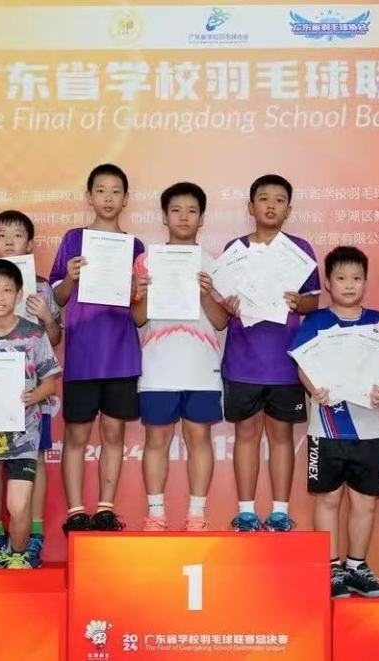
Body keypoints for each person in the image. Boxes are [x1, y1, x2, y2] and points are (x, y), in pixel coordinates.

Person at [289, 246, 379, 598]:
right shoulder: (316, 322)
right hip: (327, 427)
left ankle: (356, 566)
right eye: (341, 278)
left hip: (368, 428)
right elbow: (302, 364)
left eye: (357, 278)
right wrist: (313, 388)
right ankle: (331, 568)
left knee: (365, 502)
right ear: (329, 284)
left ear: (366, 282)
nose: (349, 284)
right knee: (328, 500)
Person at [219, 174, 320, 532]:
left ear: (288, 209)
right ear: (251, 207)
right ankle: (246, 511)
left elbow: (313, 302)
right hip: (242, 362)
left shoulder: (300, 250)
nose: (271, 205)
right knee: (246, 435)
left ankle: (280, 512)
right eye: (264, 198)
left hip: (285, 364)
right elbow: (222, 299)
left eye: (279, 200)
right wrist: (229, 304)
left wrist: (298, 302)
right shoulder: (234, 248)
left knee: (281, 437)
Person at [0, 209, 62, 566]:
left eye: (6, 291)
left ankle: (22, 550)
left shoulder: (35, 322)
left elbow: (51, 373)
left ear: (19, 294)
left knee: (21, 497)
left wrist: (34, 395)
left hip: (25, 426)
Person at [50, 164, 145, 533]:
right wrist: (70, 278)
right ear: (89, 196)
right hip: (83, 356)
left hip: (121, 354)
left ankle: (106, 509)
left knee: (114, 434)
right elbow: (58, 297)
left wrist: (140, 291)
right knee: (76, 435)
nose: (108, 197)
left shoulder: (135, 247)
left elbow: (139, 312)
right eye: (101, 190)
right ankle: (76, 511)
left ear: (125, 198)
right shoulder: (74, 239)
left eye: (115, 191)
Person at [131, 182, 227, 531]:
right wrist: (141, 295)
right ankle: (156, 514)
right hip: (157, 366)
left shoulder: (214, 264)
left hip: (201, 367)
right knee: (156, 440)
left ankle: (196, 515)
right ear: (164, 217)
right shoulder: (146, 261)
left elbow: (221, 322)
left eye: (191, 211)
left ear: (202, 219)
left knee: (199, 439)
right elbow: (138, 319)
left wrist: (204, 296)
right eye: (176, 210)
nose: (184, 217)